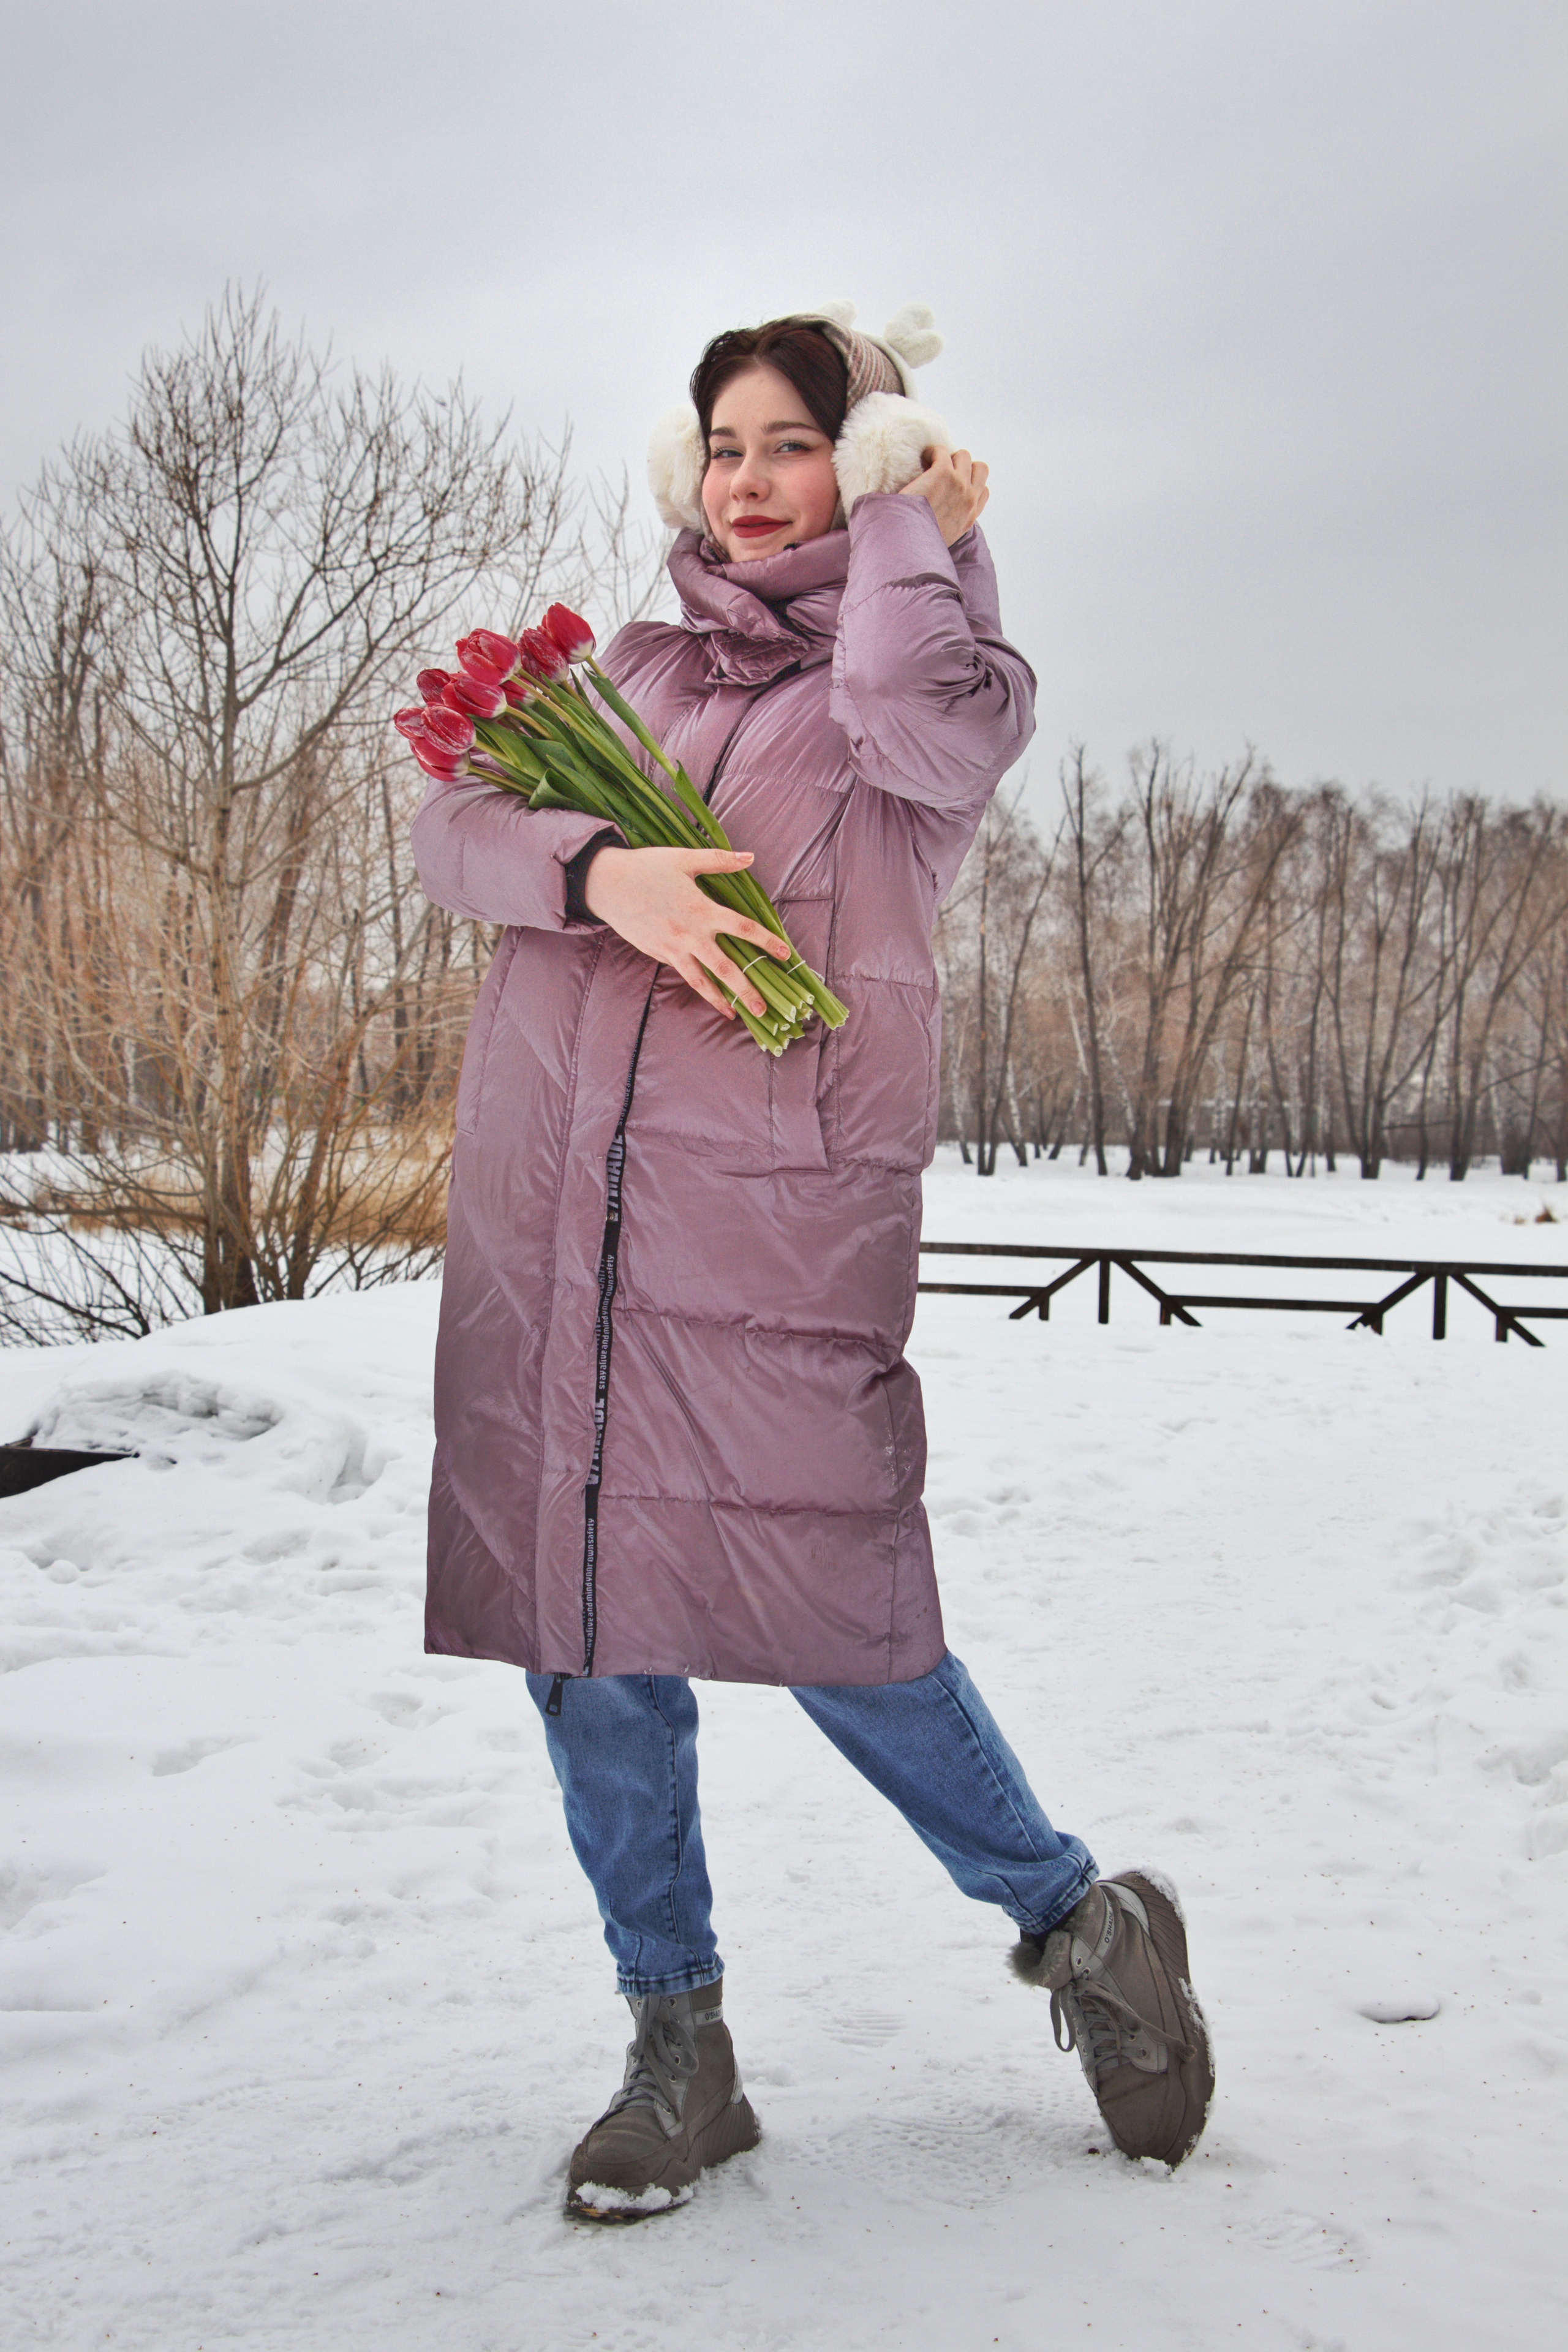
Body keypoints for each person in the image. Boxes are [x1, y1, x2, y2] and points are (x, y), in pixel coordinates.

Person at [410, 307, 1213, 2221]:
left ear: (865, 461)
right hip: (557, 1218)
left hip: (766, 1223)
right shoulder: (631, 671)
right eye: (728, 446)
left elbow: (914, 718)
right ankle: (678, 2047)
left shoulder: (946, 672)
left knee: (837, 1625)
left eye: (798, 445)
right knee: (587, 1640)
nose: (752, 481)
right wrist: (611, 876)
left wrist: (913, 521)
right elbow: (454, 838)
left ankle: (1078, 1926)